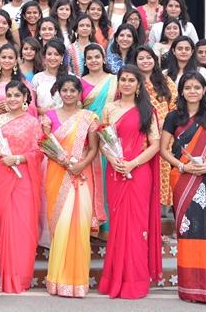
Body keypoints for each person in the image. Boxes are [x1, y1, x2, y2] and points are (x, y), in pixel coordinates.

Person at [160, 72, 206, 304]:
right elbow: (163, 149)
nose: (192, 91)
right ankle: (189, 288)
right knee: (187, 231)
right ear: (181, 91)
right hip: (181, 179)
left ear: (204, 90)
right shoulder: (173, 117)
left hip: (205, 181)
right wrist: (182, 166)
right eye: (188, 87)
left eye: (196, 87)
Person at [97, 65, 162, 299]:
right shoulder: (109, 109)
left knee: (136, 227)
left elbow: (155, 144)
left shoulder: (147, 111)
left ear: (138, 85)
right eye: (123, 79)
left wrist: (132, 163)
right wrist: (113, 160)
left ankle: (135, 281)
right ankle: (115, 279)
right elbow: (103, 141)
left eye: (131, 80)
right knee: (118, 225)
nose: (126, 83)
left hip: (139, 172)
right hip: (115, 171)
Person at [41, 75, 100, 297]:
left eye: (72, 90)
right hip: (57, 174)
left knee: (78, 226)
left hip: (81, 175)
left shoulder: (88, 117)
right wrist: (65, 162)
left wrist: (80, 165)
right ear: (59, 92)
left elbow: (93, 148)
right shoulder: (49, 116)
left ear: (79, 93)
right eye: (64, 90)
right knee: (61, 225)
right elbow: (46, 146)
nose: (68, 94)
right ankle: (57, 281)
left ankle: (77, 282)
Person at [0, 81, 43, 294]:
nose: (12, 99)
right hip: (1, 176)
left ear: (25, 98)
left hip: (23, 178)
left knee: (22, 226)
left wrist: (17, 159)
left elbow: (38, 152)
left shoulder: (32, 123)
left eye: (17, 95)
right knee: (4, 225)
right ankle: (4, 276)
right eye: (9, 95)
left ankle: (20, 277)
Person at [135, 46, 178, 209]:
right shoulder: (133, 82)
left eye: (149, 57)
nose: (145, 61)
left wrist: (166, 128)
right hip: (141, 134)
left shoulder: (166, 81)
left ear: (155, 60)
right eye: (141, 58)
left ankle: (161, 211)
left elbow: (175, 107)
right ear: (135, 62)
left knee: (162, 170)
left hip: (164, 135)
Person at [80, 43, 117, 231]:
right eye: (89, 58)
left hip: (112, 136)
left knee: (110, 178)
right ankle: (94, 224)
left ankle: (111, 226)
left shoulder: (115, 80)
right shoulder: (80, 82)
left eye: (97, 57)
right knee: (92, 180)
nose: (93, 60)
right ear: (85, 61)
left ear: (104, 59)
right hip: (89, 137)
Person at [0, 43, 36, 126]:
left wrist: (12, 105)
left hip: (17, 126)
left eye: (10, 58)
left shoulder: (23, 83)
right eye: (3, 57)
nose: (7, 60)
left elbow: (31, 107)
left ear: (16, 61)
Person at [32, 39, 68, 116]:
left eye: (56, 54)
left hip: (65, 120)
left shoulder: (70, 78)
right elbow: (32, 105)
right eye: (49, 54)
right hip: (43, 119)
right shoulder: (37, 78)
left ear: (62, 57)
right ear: (44, 57)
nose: (52, 58)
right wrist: (42, 111)